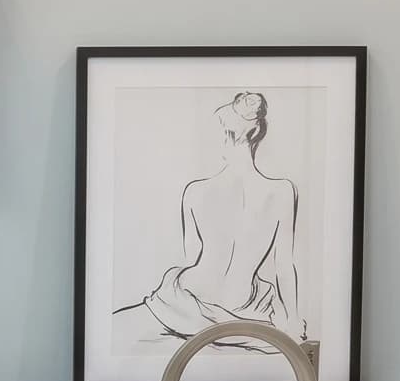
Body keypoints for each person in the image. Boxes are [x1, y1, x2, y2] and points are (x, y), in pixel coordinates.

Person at [115, 90, 299, 350]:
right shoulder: (282, 192)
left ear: (226, 135)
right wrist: (292, 318)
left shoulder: (196, 191)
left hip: (185, 303)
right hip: (243, 306)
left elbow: (193, 257)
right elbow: (284, 264)